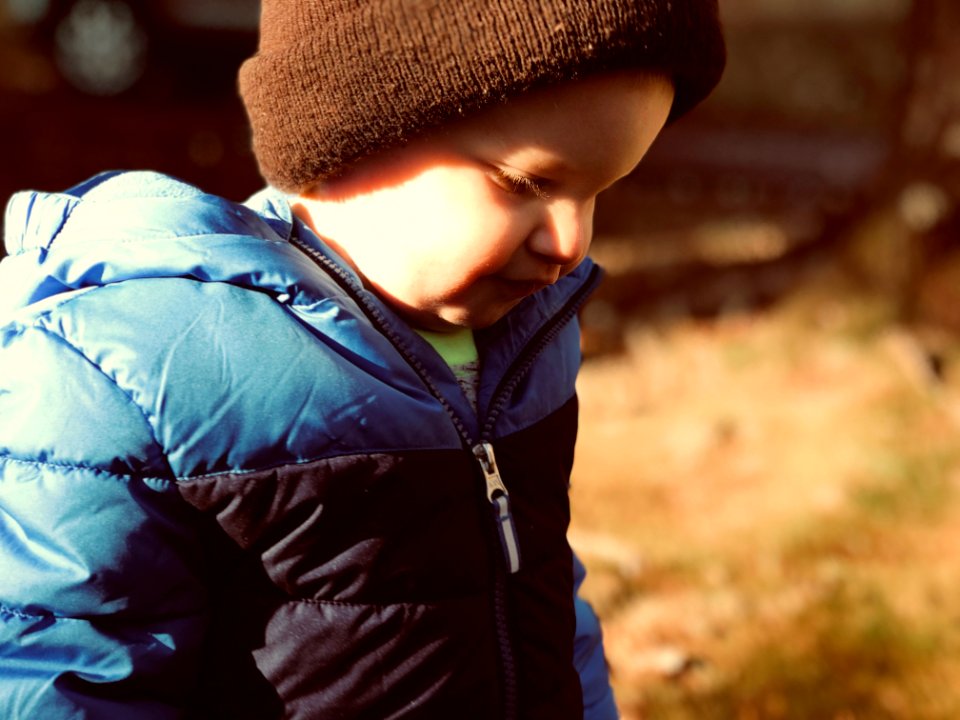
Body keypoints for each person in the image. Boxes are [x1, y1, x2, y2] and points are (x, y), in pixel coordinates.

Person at [0, 1, 724, 718]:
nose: (570, 244)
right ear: (352, 133)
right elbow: (64, 675)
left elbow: (540, 600)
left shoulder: (525, 340)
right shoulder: (136, 373)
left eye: (600, 191)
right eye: (527, 184)